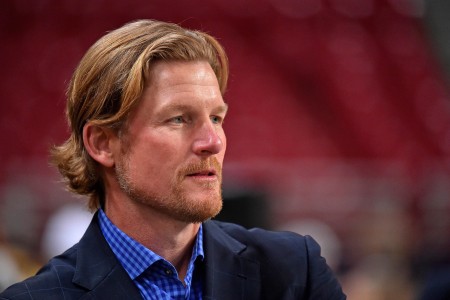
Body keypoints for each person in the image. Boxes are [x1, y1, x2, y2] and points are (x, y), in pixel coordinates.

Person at [0, 19, 346, 299]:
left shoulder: (294, 271)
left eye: (216, 118)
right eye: (178, 119)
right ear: (103, 144)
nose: (212, 142)